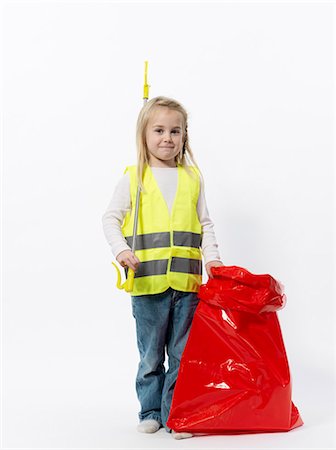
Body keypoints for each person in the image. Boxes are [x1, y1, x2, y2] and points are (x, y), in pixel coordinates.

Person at [102, 96, 223, 439]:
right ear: (143, 134)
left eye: (175, 131)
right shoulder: (134, 178)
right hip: (147, 284)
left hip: (187, 284)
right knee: (151, 356)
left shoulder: (192, 178)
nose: (167, 137)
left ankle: (176, 415)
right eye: (158, 130)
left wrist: (212, 258)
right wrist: (121, 251)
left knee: (182, 355)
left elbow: (205, 224)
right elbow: (110, 218)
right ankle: (151, 411)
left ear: (185, 136)